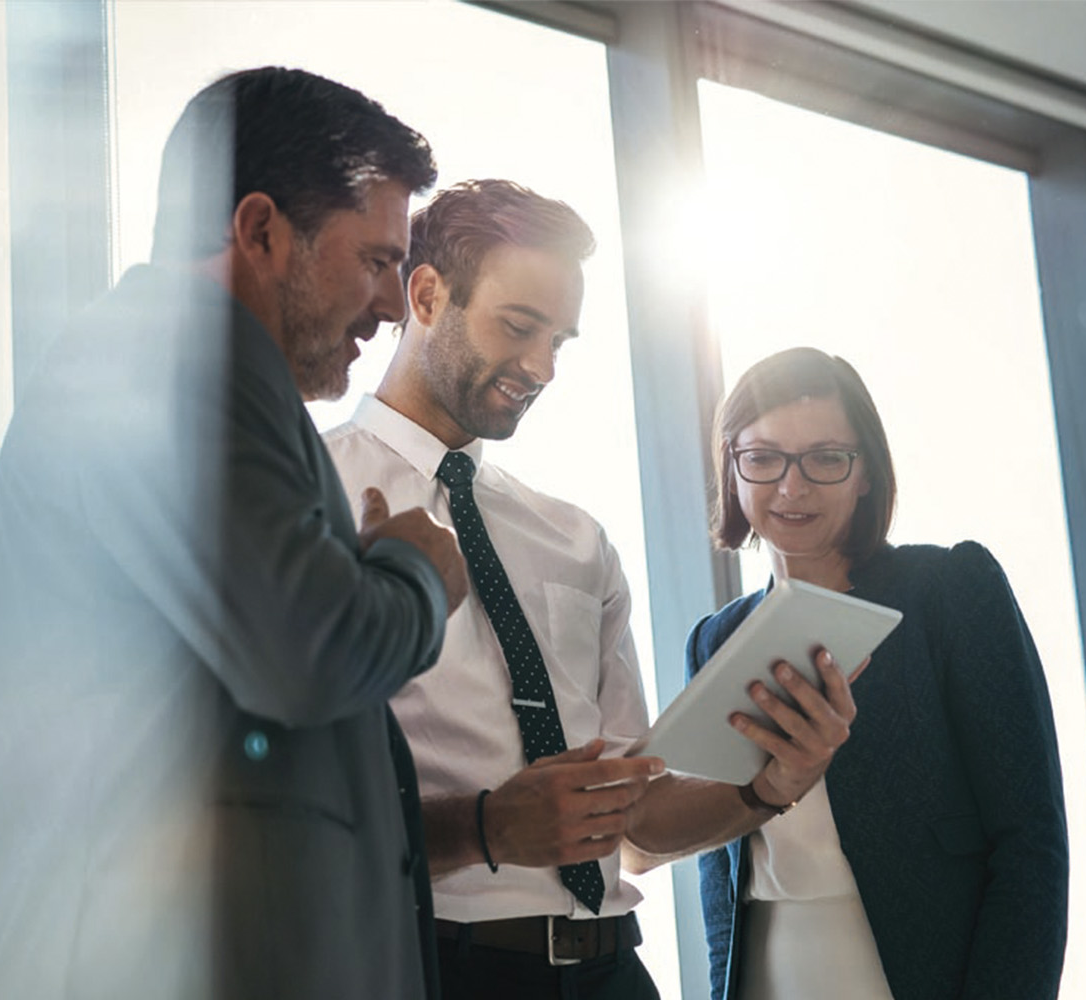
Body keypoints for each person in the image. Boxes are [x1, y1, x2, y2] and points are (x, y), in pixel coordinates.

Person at [0, 67, 467, 1000]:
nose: (395, 306)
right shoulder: (170, 360)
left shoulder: (198, 373)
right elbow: (307, 650)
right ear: (261, 228)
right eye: (378, 260)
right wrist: (415, 572)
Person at [324, 180, 860, 1000]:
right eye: (518, 327)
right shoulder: (313, 496)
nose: (541, 367)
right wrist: (487, 827)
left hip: (615, 972)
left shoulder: (574, 539)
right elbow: (294, 809)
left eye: (561, 341)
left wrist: (767, 787)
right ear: (426, 294)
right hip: (439, 967)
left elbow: (638, 821)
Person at [689, 346, 1069, 1000]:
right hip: (769, 968)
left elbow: (1030, 846)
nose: (792, 486)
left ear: (866, 473)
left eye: (826, 458)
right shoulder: (715, 638)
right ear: (732, 468)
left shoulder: (949, 591)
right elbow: (719, 870)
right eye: (763, 457)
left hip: (916, 973)